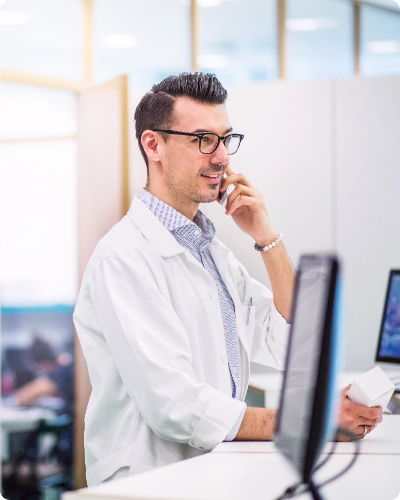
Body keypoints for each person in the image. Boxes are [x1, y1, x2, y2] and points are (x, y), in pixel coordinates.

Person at [73, 72, 382, 486]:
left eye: (225, 139)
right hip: (147, 483)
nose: (221, 157)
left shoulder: (212, 253)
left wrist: (266, 238)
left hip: (210, 473)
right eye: (203, 139)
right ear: (153, 145)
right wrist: (308, 421)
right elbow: (175, 406)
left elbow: (288, 341)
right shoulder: (123, 259)